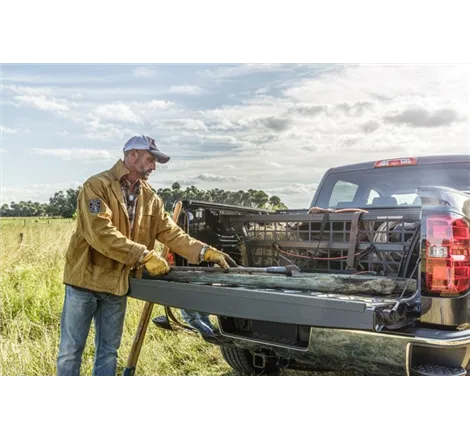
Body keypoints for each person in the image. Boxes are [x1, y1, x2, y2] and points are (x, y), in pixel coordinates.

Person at [56, 134, 236, 376]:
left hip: (117, 284)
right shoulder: (96, 186)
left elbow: (171, 232)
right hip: (85, 280)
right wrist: (144, 256)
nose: (154, 167)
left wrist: (204, 251)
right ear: (133, 155)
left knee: (108, 351)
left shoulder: (151, 198)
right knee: (70, 351)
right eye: (150, 160)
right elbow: (100, 233)